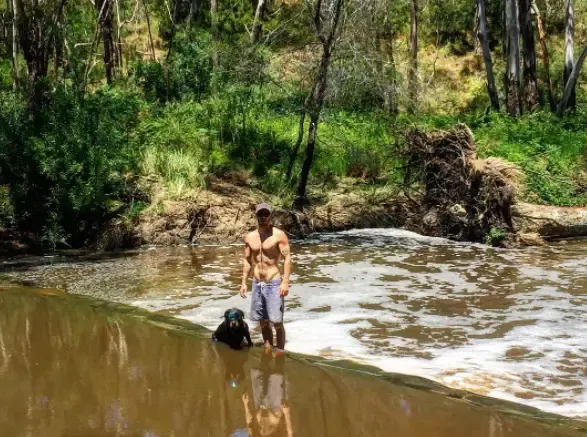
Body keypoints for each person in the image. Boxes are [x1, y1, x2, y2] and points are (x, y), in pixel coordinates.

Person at [240, 203, 292, 352]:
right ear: (256, 216)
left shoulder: (279, 235)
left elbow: (287, 258)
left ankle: (280, 352)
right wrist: (243, 282)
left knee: (277, 322)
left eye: (266, 214)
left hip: (274, 282)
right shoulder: (250, 237)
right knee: (263, 322)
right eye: (260, 214)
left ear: (270, 216)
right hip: (257, 283)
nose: (263, 217)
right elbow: (247, 261)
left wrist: (285, 282)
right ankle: (268, 348)